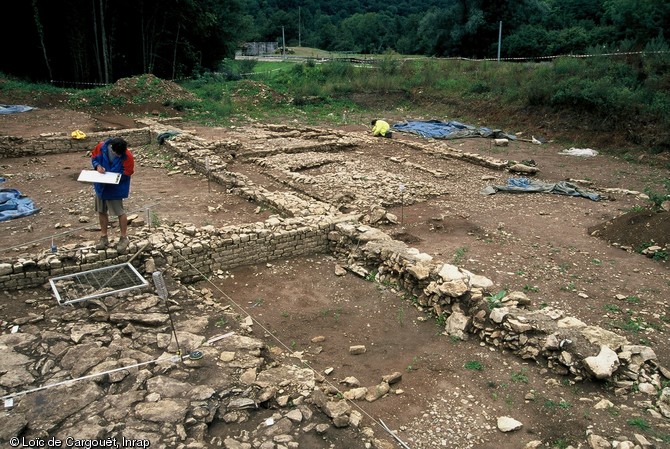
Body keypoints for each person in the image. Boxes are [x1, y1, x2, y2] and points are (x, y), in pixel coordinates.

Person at [91, 137, 134, 253]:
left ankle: (123, 238)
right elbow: (94, 158)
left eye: (121, 154)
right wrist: (97, 166)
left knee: (120, 212)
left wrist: (115, 176)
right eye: (117, 153)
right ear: (112, 148)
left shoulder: (127, 156)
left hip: (115, 188)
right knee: (101, 211)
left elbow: (128, 172)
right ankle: (104, 237)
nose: (119, 155)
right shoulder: (101, 147)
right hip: (101, 186)